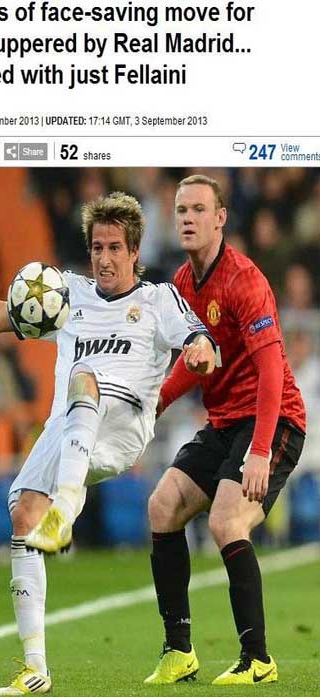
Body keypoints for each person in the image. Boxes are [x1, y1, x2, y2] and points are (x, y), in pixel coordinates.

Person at [0, 191, 216, 697]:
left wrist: (198, 351)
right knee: (22, 514)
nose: (104, 258)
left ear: (134, 252)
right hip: (67, 427)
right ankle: (34, 668)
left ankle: (65, 508)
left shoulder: (157, 300)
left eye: (115, 248)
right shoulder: (66, 295)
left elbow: (199, 338)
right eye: (97, 247)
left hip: (123, 426)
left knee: (83, 376)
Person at [144, 175, 306, 687]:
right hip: (224, 421)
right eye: (181, 210)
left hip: (273, 419)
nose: (188, 218)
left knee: (225, 520)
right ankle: (179, 652)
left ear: (220, 219)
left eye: (198, 209)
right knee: (162, 506)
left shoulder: (244, 280)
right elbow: (196, 359)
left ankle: (258, 659)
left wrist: (259, 451)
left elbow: (271, 370)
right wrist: (157, 402)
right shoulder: (182, 284)